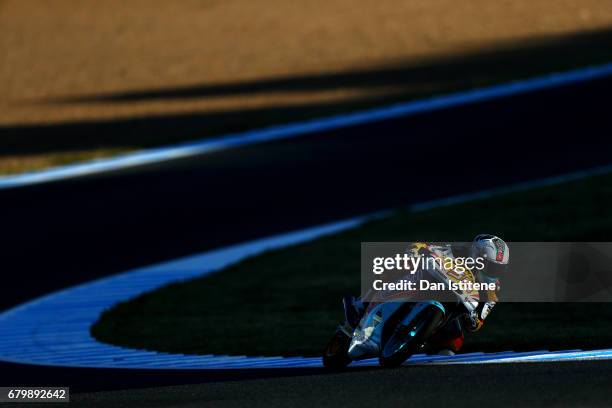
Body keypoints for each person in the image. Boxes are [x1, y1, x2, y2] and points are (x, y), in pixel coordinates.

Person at [343, 234, 509, 355]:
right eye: (490, 266)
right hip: (425, 286)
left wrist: (473, 319)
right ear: (476, 255)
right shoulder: (457, 250)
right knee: (398, 264)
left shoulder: (492, 291)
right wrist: (415, 251)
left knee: (453, 344)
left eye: (497, 269)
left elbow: (478, 322)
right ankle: (361, 303)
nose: (492, 272)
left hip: (447, 313)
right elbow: (425, 246)